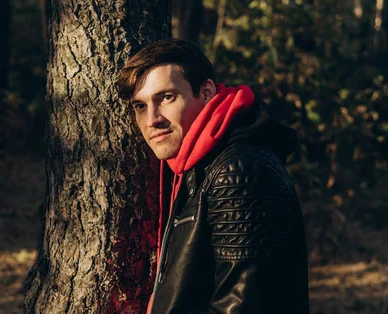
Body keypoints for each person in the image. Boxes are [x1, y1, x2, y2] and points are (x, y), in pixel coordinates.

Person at [117, 39, 310, 314]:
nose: (152, 119)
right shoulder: (194, 163)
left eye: (167, 98)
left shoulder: (238, 171)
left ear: (206, 92)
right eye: (140, 106)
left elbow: (244, 306)